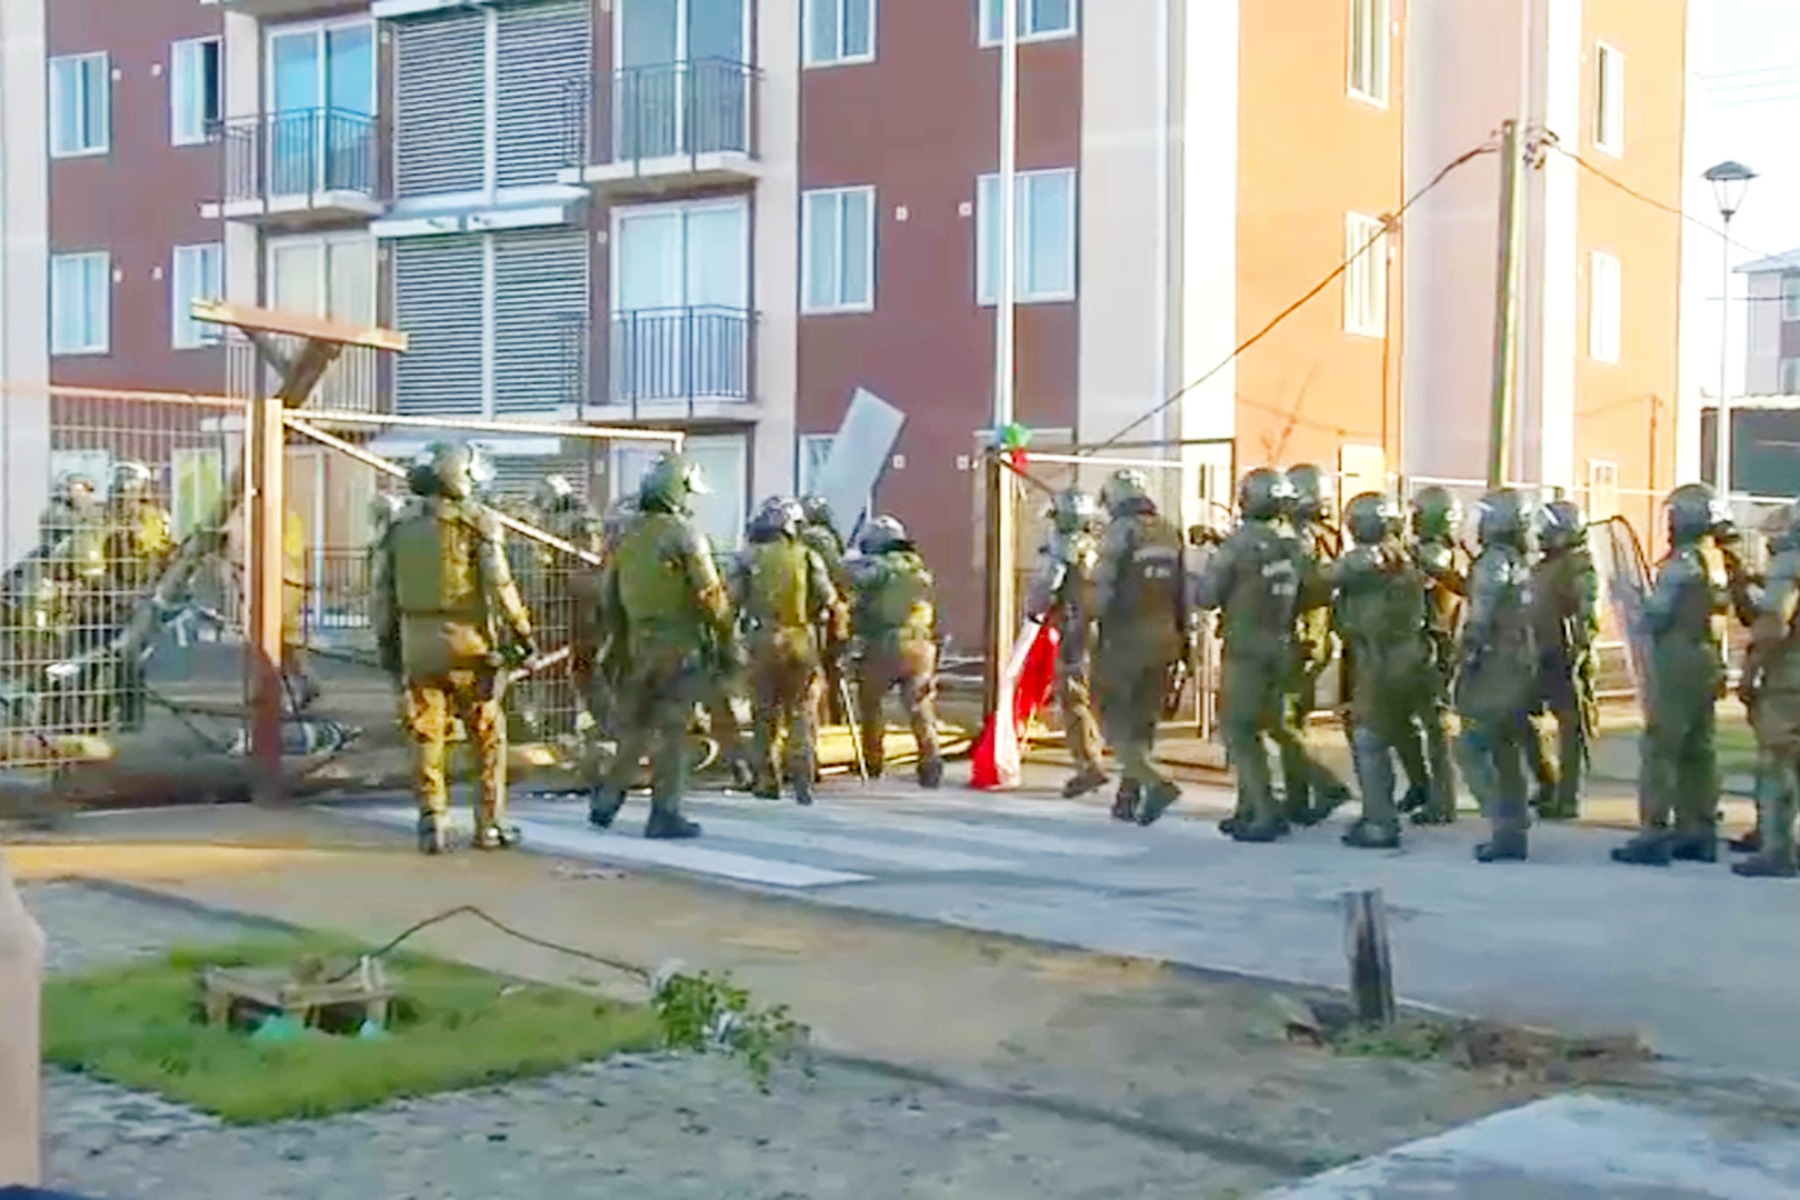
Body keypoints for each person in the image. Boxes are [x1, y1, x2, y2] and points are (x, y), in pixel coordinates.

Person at [372, 441, 536, 855]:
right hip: (470, 643)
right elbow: (500, 585)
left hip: (415, 640)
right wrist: (522, 633)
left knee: (426, 734)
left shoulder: (398, 526)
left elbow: (380, 593)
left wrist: (387, 643)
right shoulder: (478, 522)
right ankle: (489, 824)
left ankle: (432, 820)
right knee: (487, 734)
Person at [588, 453, 737, 838]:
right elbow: (710, 594)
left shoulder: (627, 537)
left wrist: (618, 646)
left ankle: (607, 801)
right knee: (674, 732)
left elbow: (609, 599)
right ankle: (664, 813)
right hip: (678, 647)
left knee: (634, 729)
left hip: (637, 646)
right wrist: (726, 639)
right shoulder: (684, 534)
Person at [1613, 484, 1730, 867]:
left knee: (1661, 747)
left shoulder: (1682, 562)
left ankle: (1654, 834)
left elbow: (1657, 613)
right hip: (1708, 654)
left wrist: (1632, 598)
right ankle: (1699, 830)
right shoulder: (1716, 559)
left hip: (1678, 655)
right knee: (1700, 749)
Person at [1194, 469, 1301, 840]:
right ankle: (1247, 807)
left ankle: (1265, 812)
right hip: (1282, 643)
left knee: (1238, 731)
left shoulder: (1237, 546)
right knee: (1263, 726)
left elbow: (1207, 596)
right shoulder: (1291, 544)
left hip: (1246, 647)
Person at [1332, 493, 1437, 850]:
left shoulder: (1368, 558)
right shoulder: (1404, 552)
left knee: (1369, 738)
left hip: (1381, 656)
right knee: (1396, 729)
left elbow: (1321, 578)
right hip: (1407, 653)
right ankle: (1406, 797)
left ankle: (1380, 822)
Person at [730, 497, 846, 805]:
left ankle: (767, 780)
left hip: (762, 640)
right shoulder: (807, 556)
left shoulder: (747, 557)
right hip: (801, 640)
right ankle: (803, 778)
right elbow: (831, 602)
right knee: (801, 712)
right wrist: (837, 640)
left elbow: (730, 604)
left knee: (764, 714)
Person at [1457, 488, 1538, 863]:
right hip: (1520, 664)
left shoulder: (1493, 563)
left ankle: (1501, 825)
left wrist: (1466, 653)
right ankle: (1515, 826)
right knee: (1507, 750)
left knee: (1471, 746)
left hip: (1494, 665)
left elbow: (1481, 613)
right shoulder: (1525, 563)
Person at [1278, 464, 1354, 827]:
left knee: (1282, 720)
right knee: (1294, 718)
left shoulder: (1301, 536)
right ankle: (1297, 798)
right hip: (1317, 634)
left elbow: (1303, 583)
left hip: (1299, 635)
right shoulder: (1330, 533)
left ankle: (1321, 786)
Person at [846, 515, 944, 787]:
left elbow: (852, 580)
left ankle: (873, 760)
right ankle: (931, 758)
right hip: (921, 646)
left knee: (871, 704)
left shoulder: (879, 567)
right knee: (920, 706)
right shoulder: (918, 569)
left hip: (885, 644)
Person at [1025, 487, 1107, 799]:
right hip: (1109, 630)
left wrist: (1034, 612)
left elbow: (1046, 586)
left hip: (1076, 629)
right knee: (1100, 699)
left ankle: (1089, 765)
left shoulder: (1061, 547)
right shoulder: (1103, 544)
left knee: (1074, 699)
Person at [1733, 500, 1800, 878]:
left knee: (1778, 761)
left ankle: (1777, 848)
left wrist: (1752, 670)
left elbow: (1775, 622)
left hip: (1791, 675)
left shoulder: (1791, 564)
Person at [1524, 499, 1599, 821]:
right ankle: (1547, 781)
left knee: (1570, 728)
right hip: (1537, 651)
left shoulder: (1579, 565)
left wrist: (1580, 648)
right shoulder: (1543, 566)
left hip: (1565, 653)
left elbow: (1588, 610)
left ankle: (1567, 798)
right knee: (1523, 719)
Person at [1407, 486, 1467, 825]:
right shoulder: (1440, 550)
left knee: (1436, 726)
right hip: (1430, 644)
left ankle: (1442, 802)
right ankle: (1429, 792)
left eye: (1418, 513)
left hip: (1434, 646)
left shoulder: (1436, 555)